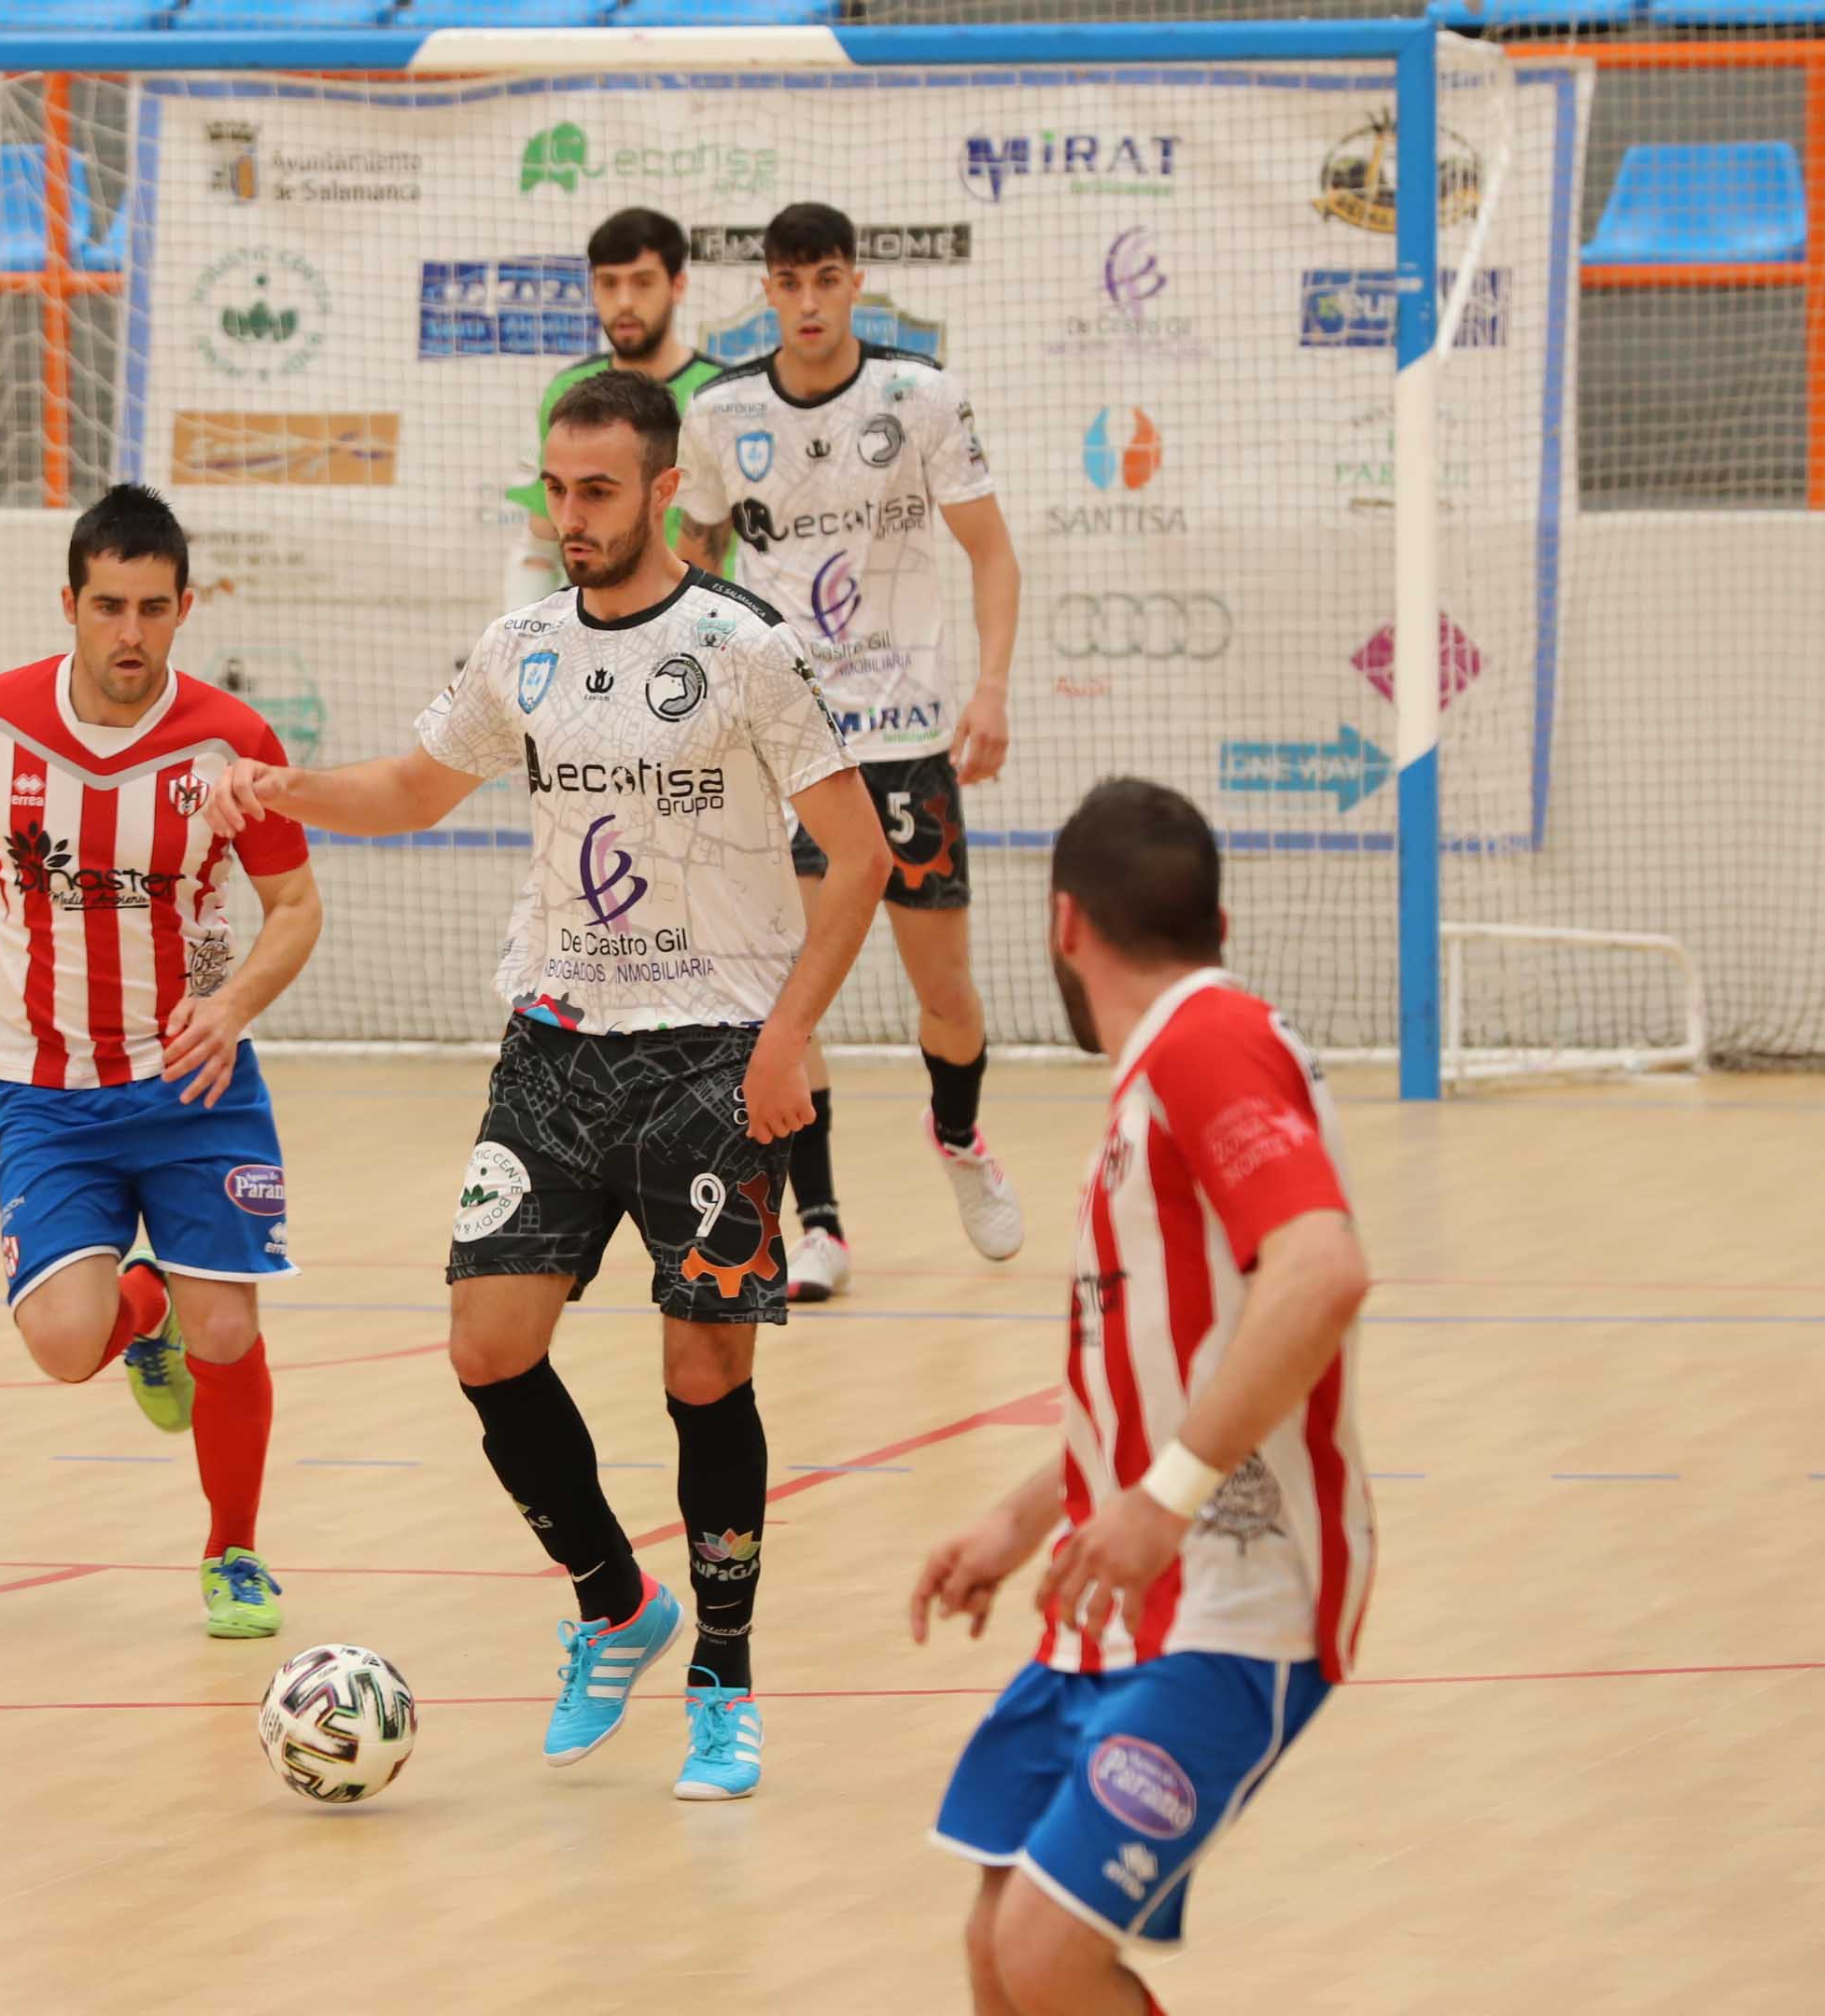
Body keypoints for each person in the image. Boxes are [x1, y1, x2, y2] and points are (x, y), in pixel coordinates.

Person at [207, 369, 888, 1800]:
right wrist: (279, 790)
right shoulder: (519, 646)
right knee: (486, 1344)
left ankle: (722, 1678)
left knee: (704, 1368)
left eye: (595, 492)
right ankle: (610, 1601)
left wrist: (783, 1043)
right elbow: (410, 785)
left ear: (661, 493)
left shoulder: (746, 648)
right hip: (558, 1037)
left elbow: (862, 855)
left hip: (713, 1045)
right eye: (553, 491)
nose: (569, 518)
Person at [0, 483, 321, 1642]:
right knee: (59, 1345)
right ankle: (149, 1316)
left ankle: (234, 1551)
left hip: (194, 1083)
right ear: (70, 607)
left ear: (186, 608)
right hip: (45, 1091)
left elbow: (295, 905)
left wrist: (233, 1005)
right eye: (107, 607)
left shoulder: (233, 743)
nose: (129, 633)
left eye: (151, 608)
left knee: (231, 1331)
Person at [909, 777, 1377, 2016]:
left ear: (1063, 925)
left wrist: (1166, 1500)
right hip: (1117, 1600)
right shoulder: (1161, 1067)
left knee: (1047, 1955)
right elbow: (1159, 1372)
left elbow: (1321, 1269)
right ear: (1210, 919)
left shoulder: (1203, 1040)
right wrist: (1025, 1520)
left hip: (1231, 1601)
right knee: (999, 1950)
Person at [676, 201, 1028, 1301]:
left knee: (947, 991)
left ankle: (961, 1136)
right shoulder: (720, 412)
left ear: (854, 280)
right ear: (766, 292)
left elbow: (992, 553)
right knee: (789, 994)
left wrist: (992, 689)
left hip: (911, 740)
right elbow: (689, 563)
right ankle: (817, 1221)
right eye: (790, 283)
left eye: (828, 279)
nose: (811, 301)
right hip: (783, 745)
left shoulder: (920, 397)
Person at [503, 206, 728, 609]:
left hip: (703, 631)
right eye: (608, 284)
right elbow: (541, 541)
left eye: (642, 283)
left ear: (677, 286)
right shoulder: (567, 391)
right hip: (595, 635)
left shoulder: (726, 396)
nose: (624, 302)